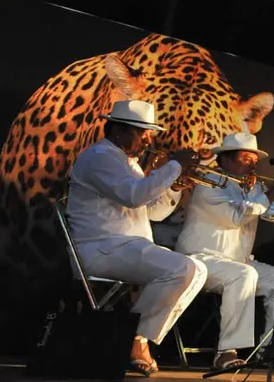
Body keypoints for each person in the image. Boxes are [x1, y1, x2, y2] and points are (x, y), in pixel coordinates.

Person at [66, 100, 205, 376]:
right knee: (184, 269)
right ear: (119, 130)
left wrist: (173, 187)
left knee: (197, 270)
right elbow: (134, 196)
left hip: (127, 247)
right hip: (101, 249)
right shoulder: (98, 157)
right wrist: (174, 165)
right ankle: (136, 339)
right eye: (143, 132)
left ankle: (135, 337)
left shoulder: (129, 164)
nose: (148, 139)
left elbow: (152, 212)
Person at [176, 132, 274, 369]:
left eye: (254, 159)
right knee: (244, 274)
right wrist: (271, 193)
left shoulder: (251, 188)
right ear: (227, 159)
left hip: (236, 261)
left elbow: (267, 213)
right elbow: (235, 217)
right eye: (245, 158)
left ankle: (271, 348)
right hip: (201, 259)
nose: (253, 164)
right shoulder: (209, 183)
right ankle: (226, 352)